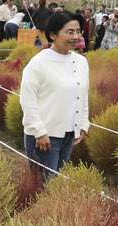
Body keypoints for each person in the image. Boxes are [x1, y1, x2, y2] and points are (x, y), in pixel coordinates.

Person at [18, 10, 91, 183]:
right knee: (43, 186)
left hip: (69, 135)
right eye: (69, 32)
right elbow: (28, 100)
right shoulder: (39, 63)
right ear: (53, 35)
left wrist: (83, 123)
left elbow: (83, 95)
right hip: (45, 136)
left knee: (55, 184)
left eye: (78, 31)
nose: (75, 37)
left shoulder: (81, 62)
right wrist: (39, 132)